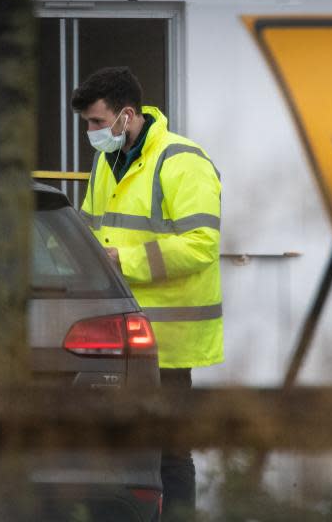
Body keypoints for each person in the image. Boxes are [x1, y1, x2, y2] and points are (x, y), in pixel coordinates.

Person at [72, 67, 223, 520]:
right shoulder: (108, 160)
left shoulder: (182, 161)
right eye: (87, 125)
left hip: (169, 343)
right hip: (113, 336)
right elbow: (89, 230)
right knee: (118, 453)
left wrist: (125, 262)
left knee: (170, 453)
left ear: (127, 116)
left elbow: (202, 243)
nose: (91, 134)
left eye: (97, 123)